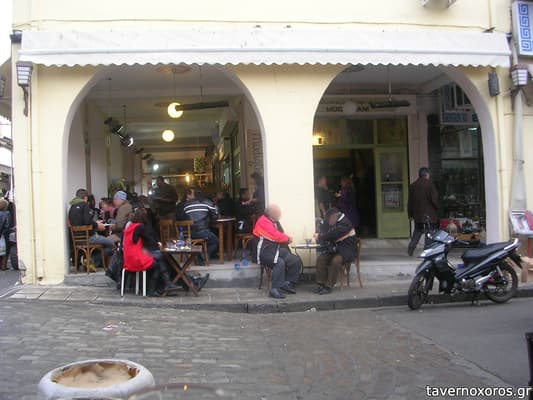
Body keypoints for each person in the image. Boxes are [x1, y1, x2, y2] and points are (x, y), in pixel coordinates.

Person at [122, 208, 180, 296]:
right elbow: (149, 239)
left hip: (128, 259)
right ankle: (158, 287)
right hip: (137, 259)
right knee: (160, 259)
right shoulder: (140, 227)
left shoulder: (131, 227)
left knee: (160, 260)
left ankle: (165, 285)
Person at [253, 204, 302, 299]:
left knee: (295, 260)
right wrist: (287, 239)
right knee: (279, 263)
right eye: (278, 212)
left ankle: (287, 283)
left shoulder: (273, 221)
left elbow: (280, 233)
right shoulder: (263, 222)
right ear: (272, 213)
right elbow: (275, 236)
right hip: (264, 252)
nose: (280, 214)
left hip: (274, 250)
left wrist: (286, 238)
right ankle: (274, 289)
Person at [313, 208, 358, 295]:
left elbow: (334, 235)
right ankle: (321, 284)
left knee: (335, 261)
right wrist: (321, 231)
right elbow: (326, 231)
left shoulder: (345, 224)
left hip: (347, 251)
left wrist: (320, 237)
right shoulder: (336, 222)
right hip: (336, 250)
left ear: (333, 217)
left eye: (329, 220)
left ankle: (329, 286)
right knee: (321, 259)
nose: (328, 222)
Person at [68, 188, 115, 268]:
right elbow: (87, 221)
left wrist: (95, 223)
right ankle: (92, 261)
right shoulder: (84, 205)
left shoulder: (72, 206)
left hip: (76, 239)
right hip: (88, 238)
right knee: (111, 244)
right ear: (86, 197)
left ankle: (90, 262)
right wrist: (97, 225)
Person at [177, 188, 219, 260]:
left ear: (194, 195)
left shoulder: (186, 205)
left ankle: (200, 255)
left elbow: (184, 218)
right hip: (203, 232)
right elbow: (215, 216)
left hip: (189, 233)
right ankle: (205, 255)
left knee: (205, 237)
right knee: (216, 241)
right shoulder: (207, 202)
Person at [407, 167, 439, 256]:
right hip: (430, 214)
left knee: (417, 230)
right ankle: (426, 250)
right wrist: (437, 209)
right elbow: (434, 200)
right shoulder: (430, 185)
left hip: (417, 214)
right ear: (427, 174)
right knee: (429, 232)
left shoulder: (413, 185)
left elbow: (410, 202)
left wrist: (410, 214)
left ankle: (411, 247)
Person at [0, 199, 11, 270]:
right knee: (5, 251)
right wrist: (3, 233)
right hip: (3, 235)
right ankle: (3, 266)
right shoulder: (7, 214)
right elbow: (7, 225)